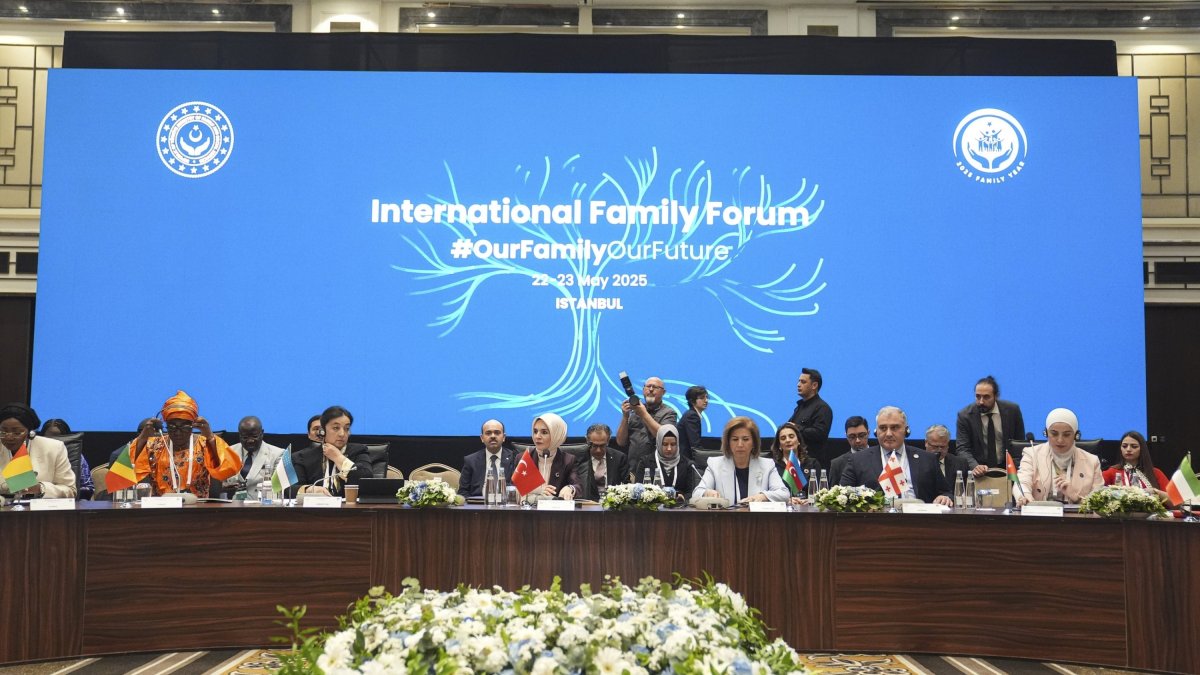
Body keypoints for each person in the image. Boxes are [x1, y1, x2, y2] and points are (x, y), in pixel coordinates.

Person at [132, 391, 242, 498]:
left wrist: (209, 436)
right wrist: (143, 437)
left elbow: (229, 469)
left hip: (198, 507)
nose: (178, 432)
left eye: (184, 427)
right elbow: (126, 468)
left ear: (193, 425)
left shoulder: (204, 444)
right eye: (172, 427)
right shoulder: (155, 445)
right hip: (161, 507)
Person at [841, 406, 953, 506]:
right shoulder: (857, 460)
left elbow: (946, 492)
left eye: (895, 428)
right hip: (876, 519)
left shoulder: (927, 459)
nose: (889, 434)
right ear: (876, 432)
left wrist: (944, 497)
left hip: (919, 519)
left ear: (906, 430)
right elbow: (842, 495)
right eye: (883, 428)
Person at [1015, 408, 1102, 506]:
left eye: (1066, 435)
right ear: (1046, 433)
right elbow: (1021, 482)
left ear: (1076, 435)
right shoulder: (1032, 454)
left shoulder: (1092, 461)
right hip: (1039, 513)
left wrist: (1076, 498)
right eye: (1054, 434)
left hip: (1077, 515)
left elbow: (1099, 502)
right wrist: (1026, 497)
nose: (1060, 440)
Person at [692, 416, 788, 504]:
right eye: (735, 439)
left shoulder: (767, 465)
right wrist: (707, 492)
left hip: (756, 517)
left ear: (754, 443)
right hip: (724, 517)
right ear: (728, 443)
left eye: (745, 439)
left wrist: (763, 496)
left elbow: (784, 494)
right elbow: (697, 493)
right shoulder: (715, 464)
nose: (740, 444)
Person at [290, 405, 372, 497]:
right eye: (336, 428)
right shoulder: (302, 457)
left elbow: (367, 481)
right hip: (316, 505)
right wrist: (309, 489)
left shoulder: (359, 451)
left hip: (348, 505)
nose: (342, 434)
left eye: (346, 429)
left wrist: (338, 458)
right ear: (323, 431)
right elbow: (289, 489)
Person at [955, 375, 1026, 477]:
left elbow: (1019, 444)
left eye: (986, 397)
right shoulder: (965, 415)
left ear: (996, 396)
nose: (981, 401)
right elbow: (962, 448)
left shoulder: (1012, 411)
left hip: (1008, 470)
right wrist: (975, 466)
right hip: (979, 470)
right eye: (978, 396)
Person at [0, 403, 76, 498]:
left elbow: (70, 490)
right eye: (3, 432)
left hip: (39, 506)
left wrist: (41, 488)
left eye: (17, 432)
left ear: (30, 432)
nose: (9, 437)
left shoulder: (54, 448)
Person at [616, 376, 678, 467]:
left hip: (656, 467)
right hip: (634, 466)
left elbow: (664, 437)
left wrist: (643, 414)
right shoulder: (634, 411)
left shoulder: (669, 413)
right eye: (648, 386)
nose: (651, 389)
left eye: (655, 387)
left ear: (663, 392)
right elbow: (621, 442)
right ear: (643, 390)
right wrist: (625, 416)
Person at [629, 424, 699, 497]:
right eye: (665, 444)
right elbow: (638, 491)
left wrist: (682, 498)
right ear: (658, 443)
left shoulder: (687, 464)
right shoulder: (645, 462)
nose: (669, 449)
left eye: (673, 444)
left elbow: (690, 493)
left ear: (678, 444)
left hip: (679, 504)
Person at [226, 416, 286, 496]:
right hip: (231, 502)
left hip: (262, 502)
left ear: (262, 433)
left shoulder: (277, 454)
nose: (250, 440)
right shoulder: (229, 452)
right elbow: (220, 482)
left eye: (254, 436)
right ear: (239, 435)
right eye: (245, 437)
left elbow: (278, 488)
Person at [1102, 430, 1170, 502]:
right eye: (1124, 446)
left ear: (1142, 449)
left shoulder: (1155, 473)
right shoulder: (1112, 472)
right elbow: (1096, 492)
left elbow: (1175, 502)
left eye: (1134, 446)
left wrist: (1156, 492)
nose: (1128, 449)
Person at [786, 367, 833, 466]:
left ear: (814, 385)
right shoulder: (799, 407)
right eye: (799, 381)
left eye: (803, 382)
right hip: (796, 461)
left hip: (812, 464)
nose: (798, 384)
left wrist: (797, 428)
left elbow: (820, 433)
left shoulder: (822, 408)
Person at [528, 413, 580, 500]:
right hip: (528, 507)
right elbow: (513, 488)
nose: (537, 436)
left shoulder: (568, 460)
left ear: (557, 435)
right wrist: (537, 490)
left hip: (556, 508)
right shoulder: (525, 458)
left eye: (544, 432)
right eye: (535, 431)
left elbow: (578, 486)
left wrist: (570, 488)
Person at [459, 419, 517, 497]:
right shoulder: (471, 461)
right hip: (478, 503)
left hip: (506, 502)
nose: (493, 436)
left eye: (497, 433)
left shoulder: (515, 458)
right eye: (488, 433)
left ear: (503, 437)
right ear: (482, 438)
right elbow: (463, 492)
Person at [40, 418, 94, 500]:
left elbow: (88, 488)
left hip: (71, 501)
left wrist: (71, 492)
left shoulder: (77, 456)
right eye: (49, 438)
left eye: (58, 437)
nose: (53, 442)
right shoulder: (34, 454)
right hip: (39, 501)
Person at [575, 423, 628, 501]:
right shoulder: (578, 459)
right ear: (587, 440)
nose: (598, 450)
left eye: (602, 446)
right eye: (594, 446)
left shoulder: (619, 458)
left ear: (608, 441)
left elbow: (626, 486)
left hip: (612, 504)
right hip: (587, 504)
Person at [829, 416, 870, 486]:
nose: (857, 440)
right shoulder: (837, 464)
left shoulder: (880, 457)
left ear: (868, 433)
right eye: (852, 437)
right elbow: (833, 491)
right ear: (846, 436)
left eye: (861, 435)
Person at [677, 385, 708, 460]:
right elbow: (695, 444)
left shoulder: (691, 414)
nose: (706, 400)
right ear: (692, 401)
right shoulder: (692, 416)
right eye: (702, 398)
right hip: (686, 459)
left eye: (706, 397)